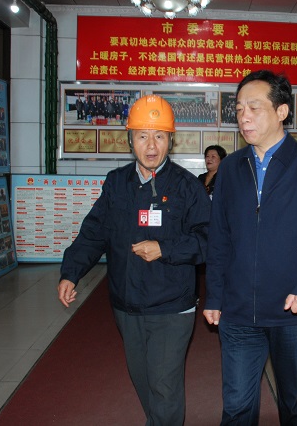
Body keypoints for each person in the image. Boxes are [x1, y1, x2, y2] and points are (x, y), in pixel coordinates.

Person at [57, 95, 211, 425]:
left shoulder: (187, 187)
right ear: (130, 139)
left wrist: (164, 249)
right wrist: (71, 272)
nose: (151, 146)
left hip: (171, 306)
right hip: (126, 304)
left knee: (164, 385)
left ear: (171, 139)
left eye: (159, 136)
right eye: (142, 136)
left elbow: (208, 240)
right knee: (142, 378)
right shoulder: (117, 183)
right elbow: (94, 232)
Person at [203, 70, 297, 425]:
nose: (244, 116)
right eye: (239, 109)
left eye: (254, 107)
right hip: (238, 310)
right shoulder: (231, 168)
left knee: (293, 405)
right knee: (236, 406)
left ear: (282, 111)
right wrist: (215, 295)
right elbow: (219, 238)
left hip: (292, 310)